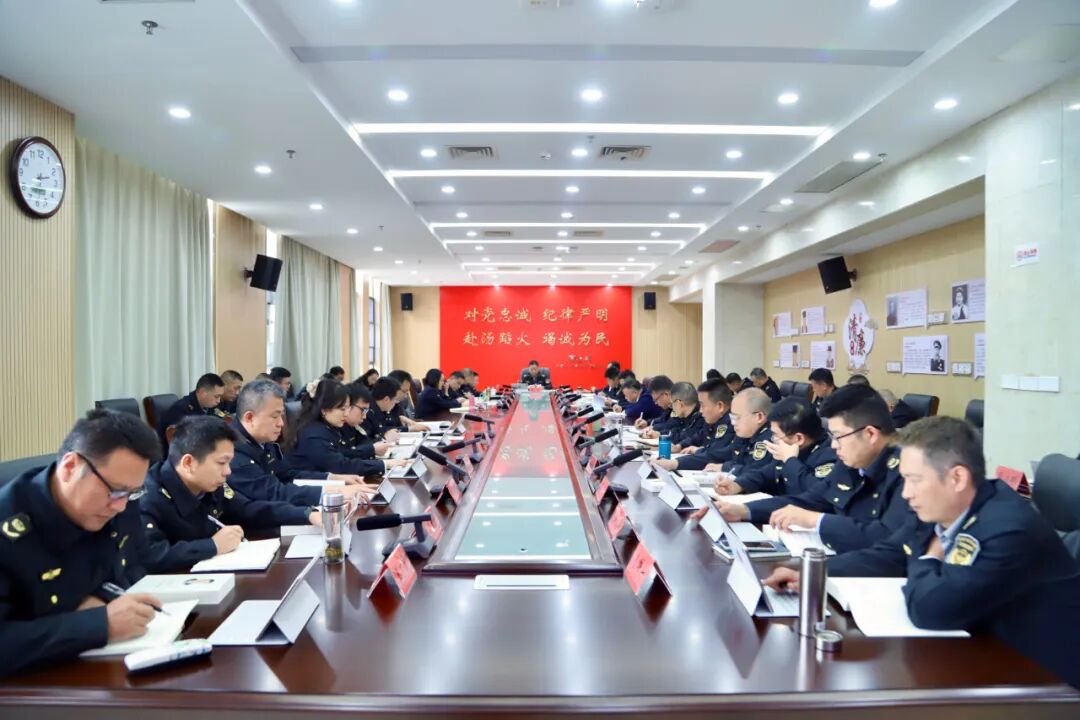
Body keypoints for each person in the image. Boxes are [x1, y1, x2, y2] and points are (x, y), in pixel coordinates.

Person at [764, 417, 1080, 688]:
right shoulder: (946, 507)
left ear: (957, 478)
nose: (906, 493)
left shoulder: (1007, 530)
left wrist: (927, 555)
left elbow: (929, 608)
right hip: (979, 650)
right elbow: (890, 553)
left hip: (1042, 683)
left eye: (914, 480)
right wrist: (813, 572)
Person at [0, 409, 164, 676]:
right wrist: (97, 625)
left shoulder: (115, 504)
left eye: (132, 493)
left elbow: (122, 570)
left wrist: (101, 598)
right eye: (115, 491)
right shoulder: (9, 528)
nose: (121, 506)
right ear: (70, 467)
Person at [715, 384, 909, 554]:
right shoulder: (852, 463)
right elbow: (811, 500)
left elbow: (886, 539)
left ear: (870, 434)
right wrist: (743, 511)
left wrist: (817, 521)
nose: (834, 445)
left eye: (838, 436)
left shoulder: (907, 472)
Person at [140, 416, 339, 573]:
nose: (228, 471)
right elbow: (150, 556)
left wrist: (306, 514)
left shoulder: (210, 484)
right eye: (221, 463)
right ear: (188, 463)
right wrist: (212, 546)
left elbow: (247, 509)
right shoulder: (148, 497)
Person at [226, 379, 374, 511]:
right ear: (249, 417)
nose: (281, 423)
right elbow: (275, 493)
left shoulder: (263, 440)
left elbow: (289, 475)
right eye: (274, 416)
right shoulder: (233, 451)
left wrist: (333, 479)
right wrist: (335, 492)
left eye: (281, 415)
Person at [712, 397, 835, 497]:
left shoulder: (829, 455)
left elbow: (817, 494)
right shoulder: (793, 448)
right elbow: (764, 474)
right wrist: (737, 485)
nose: (773, 439)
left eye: (776, 435)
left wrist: (791, 461)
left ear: (799, 438)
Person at [286, 380, 408, 477]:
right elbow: (340, 466)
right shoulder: (314, 433)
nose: (346, 414)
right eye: (342, 409)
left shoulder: (328, 427)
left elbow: (343, 456)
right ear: (324, 409)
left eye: (348, 408)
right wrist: (384, 464)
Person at [652, 379, 736, 472]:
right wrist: (680, 446)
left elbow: (714, 455)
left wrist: (675, 463)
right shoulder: (714, 420)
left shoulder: (731, 424)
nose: (700, 410)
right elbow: (699, 436)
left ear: (720, 406)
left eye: (703, 405)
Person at [698, 388, 775, 484]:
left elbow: (755, 472)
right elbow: (725, 456)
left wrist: (724, 467)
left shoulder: (769, 439)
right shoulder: (745, 434)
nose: (733, 423)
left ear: (759, 417)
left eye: (737, 417)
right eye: (732, 417)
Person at [156, 373, 228, 447]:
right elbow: (180, 442)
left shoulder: (211, 407)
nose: (218, 401)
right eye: (216, 396)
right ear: (203, 393)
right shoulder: (181, 409)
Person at [340, 382, 396, 459]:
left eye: (366, 411)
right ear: (347, 405)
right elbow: (344, 457)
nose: (364, 416)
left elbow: (366, 444)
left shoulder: (353, 427)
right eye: (363, 410)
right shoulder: (335, 429)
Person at [642, 381, 704, 449]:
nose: (672, 408)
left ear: (679, 404)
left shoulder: (701, 418)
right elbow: (676, 430)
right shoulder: (685, 416)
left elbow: (685, 436)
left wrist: (661, 435)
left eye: (672, 404)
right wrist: (660, 434)